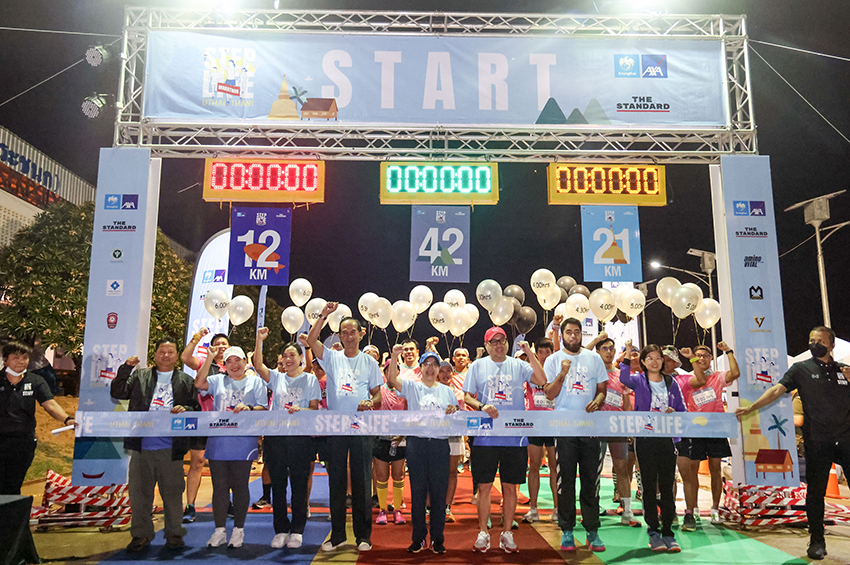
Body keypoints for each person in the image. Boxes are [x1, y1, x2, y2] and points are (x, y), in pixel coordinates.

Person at [736, 326, 850, 561]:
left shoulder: (844, 370)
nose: (815, 343)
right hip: (817, 441)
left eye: (821, 341)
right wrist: (751, 407)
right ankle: (816, 541)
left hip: (847, 440)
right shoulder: (800, 369)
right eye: (812, 340)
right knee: (815, 493)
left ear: (832, 345)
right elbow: (776, 390)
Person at [109, 337, 199, 552]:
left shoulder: (186, 381)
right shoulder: (140, 376)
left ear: (177, 356)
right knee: (140, 495)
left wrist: (186, 409)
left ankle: (174, 534)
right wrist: (125, 369)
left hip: (171, 448)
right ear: (155, 354)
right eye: (162, 352)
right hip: (141, 447)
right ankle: (140, 535)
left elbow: (197, 409)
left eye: (170, 352)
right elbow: (118, 392)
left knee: (173, 494)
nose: (166, 355)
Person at [307, 302, 383, 552]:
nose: (349, 336)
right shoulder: (331, 357)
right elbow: (311, 339)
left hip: (361, 427)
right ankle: (338, 535)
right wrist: (323, 315)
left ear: (361, 334)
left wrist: (369, 402)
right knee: (337, 481)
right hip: (337, 427)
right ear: (339, 336)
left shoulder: (369, 362)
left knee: (362, 481)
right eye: (344, 332)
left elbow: (378, 395)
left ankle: (363, 536)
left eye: (353, 332)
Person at [463, 327, 546, 553]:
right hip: (486, 436)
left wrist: (529, 353)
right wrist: (482, 406)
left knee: (510, 487)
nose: (499, 345)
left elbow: (541, 379)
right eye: (494, 342)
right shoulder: (477, 366)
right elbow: (467, 396)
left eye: (502, 341)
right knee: (484, 487)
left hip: (514, 437)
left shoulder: (518, 365)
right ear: (486, 345)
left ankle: (507, 533)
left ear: (508, 344)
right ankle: (483, 532)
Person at [542, 318, 608, 553]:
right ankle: (567, 530)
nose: (573, 336)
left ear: (581, 334)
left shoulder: (594, 358)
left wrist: (598, 400)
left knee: (591, 480)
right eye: (568, 332)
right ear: (563, 335)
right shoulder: (553, 359)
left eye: (577, 332)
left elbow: (602, 389)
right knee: (566, 481)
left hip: (590, 429)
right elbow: (549, 394)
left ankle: (592, 530)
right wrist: (562, 373)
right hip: (565, 429)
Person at [253, 329, 320, 549]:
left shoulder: (310, 379)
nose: (288, 359)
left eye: (293, 355)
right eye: (285, 356)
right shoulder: (277, 377)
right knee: (278, 484)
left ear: (301, 358)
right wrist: (259, 341)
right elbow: (258, 366)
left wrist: (302, 410)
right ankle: (281, 529)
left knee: (299, 484)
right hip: (277, 438)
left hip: (300, 439)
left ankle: (297, 529)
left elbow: (314, 408)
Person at [195, 344, 267, 549]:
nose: (234, 365)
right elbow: (199, 383)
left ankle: (238, 530)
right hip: (218, 440)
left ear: (245, 361)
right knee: (219, 487)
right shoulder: (217, 380)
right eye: (229, 361)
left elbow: (263, 407)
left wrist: (250, 408)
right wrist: (209, 358)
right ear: (224, 365)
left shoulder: (255, 382)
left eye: (238, 360)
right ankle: (219, 531)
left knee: (240, 485)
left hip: (243, 440)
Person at [388, 348, 459, 554]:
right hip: (417, 444)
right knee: (418, 493)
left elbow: (455, 416)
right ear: (420, 368)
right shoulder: (412, 387)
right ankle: (418, 538)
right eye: (426, 364)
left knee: (438, 493)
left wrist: (454, 411)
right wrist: (394, 356)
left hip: (439, 445)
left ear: (438, 369)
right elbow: (392, 380)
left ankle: (437, 538)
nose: (430, 368)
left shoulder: (447, 391)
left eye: (434, 364)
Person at [620, 343, 687, 553]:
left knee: (667, 486)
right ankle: (653, 532)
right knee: (648, 486)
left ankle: (668, 532)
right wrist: (627, 355)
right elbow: (623, 378)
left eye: (658, 358)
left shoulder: (671, 382)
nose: (654, 361)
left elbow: (682, 410)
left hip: (666, 439)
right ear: (643, 362)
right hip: (645, 439)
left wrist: (673, 412)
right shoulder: (638, 380)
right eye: (649, 358)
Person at [677, 342, 739, 527]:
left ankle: (715, 509)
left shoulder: (718, 377)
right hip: (694, 429)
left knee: (715, 469)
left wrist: (728, 352)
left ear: (711, 358)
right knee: (692, 470)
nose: (701, 358)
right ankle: (694, 509)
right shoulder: (689, 379)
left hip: (715, 428)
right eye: (698, 355)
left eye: (705, 355)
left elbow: (735, 373)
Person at [1, 341, 75, 495]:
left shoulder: (35, 381)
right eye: (16, 358)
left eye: (24, 357)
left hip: (23, 442)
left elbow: (50, 405)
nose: (21, 361)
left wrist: (67, 419)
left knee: (13, 486)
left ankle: (11, 510)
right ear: (5, 360)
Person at [179, 329, 230, 523]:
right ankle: (190, 506)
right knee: (197, 462)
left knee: (224, 464)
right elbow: (185, 358)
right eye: (217, 344)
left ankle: (226, 503)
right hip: (203, 420)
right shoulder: (203, 361)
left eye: (224, 344)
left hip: (225, 423)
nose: (221, 347)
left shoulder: (235, 365)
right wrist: (197, 338)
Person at [593, 334, 640, 528]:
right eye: (604, 348)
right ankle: (592, 509)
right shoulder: (593, 373)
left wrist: (628, 428)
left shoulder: (622, 375)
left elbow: (627, 404)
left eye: (611, 348)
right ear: (597, 352)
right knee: (593, 469)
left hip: (617, 427)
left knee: (622, 468)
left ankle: (627, 511)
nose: (609, 352)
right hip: (596, 427)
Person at [524, 338, 558, 523]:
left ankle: (557, 509)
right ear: (536, 353)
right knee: (534, 466)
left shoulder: (556, 371)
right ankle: (533, 509)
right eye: (541, 352)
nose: (544, 356)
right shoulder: (529, 372)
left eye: (548, 352)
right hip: (534, 424)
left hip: (553, 424)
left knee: (554, 467)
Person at [373, 357, 408, 526]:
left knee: (398, 475)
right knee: (381, 476)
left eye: (395, 370)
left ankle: (397, 510)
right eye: (389, 370)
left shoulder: (405, 392)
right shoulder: (379, 390)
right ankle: (382, 510)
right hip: (381, 438)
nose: (392, 373)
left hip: (399, 439)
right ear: (385, 373)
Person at [438, 359, 464, 521]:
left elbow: (464, 416)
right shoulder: (432, 391)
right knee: (434, 472)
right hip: (436, 436)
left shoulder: (459, 394)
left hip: (454, 436)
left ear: (453, 373)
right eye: (442, 371)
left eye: (448, 371)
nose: (445, 374)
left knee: (452, 472)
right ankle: (431, 507)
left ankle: (447, 507)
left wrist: (457, 411)